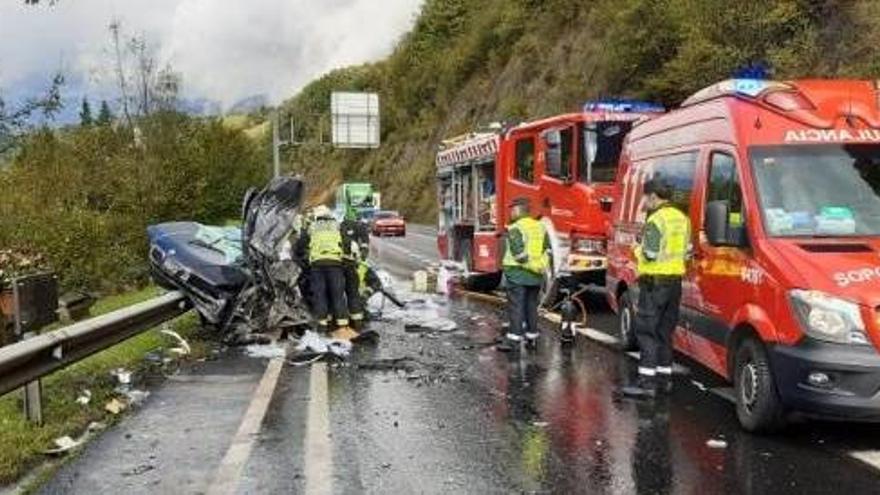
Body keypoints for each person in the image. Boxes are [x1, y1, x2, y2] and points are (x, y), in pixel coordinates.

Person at [621, 178, 691, 399]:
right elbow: (688, 251)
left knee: (646, 331)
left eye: (645, 197)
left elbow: (649, 254)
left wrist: (636, 248)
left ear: (653, 196)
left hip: (654, 283)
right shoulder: (683, 218)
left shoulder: (656, 220)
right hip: (674, 283)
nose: (644, 202)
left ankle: (646, 383)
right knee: (664, 332)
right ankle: (664, 380)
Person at [497, 198, 550, 353]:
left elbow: (518, 254)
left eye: (512, 210)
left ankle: (513, 340)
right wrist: (539, 267)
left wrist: (530, 266)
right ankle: (532, 338)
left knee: (516, 306)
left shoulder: (516, 228)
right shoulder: (540, 227)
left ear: (518, 210)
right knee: (531, 306)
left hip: (517, 274)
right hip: (535, 276)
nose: (511, 213)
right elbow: (547, 251)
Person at [295, 205, 351, 336]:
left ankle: (322, 327)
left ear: (317, 215)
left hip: (317, 265)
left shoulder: (312, 227)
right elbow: (347, 243)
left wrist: (303, 255)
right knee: (338, 294)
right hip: (335, 264)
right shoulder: (337, 226)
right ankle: (342, 327)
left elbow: (300, 246)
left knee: (320, 295)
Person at [340, 207, 370, 329]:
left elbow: (364, 244)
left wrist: (362, 255)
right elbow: (364, 244)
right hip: (352, 263)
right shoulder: (359, 226)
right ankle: (356, 322)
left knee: (339, 293)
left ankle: (342, 321)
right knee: (353, 292)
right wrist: (362, 255)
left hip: (342, 264)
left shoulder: (342, 226)